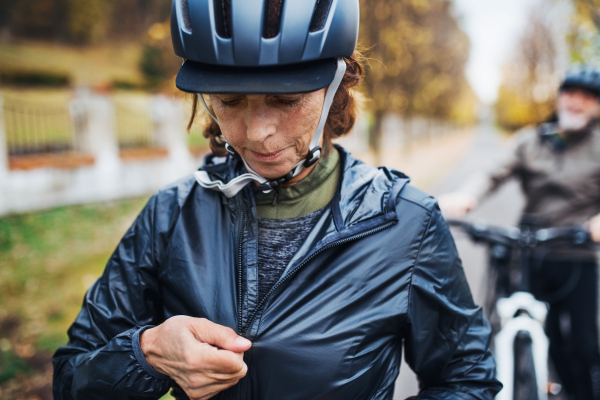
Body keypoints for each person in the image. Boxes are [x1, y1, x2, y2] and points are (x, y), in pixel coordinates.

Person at [52, 1, 501, 399]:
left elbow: (466, 379)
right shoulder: (170, 216)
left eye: (285, 100)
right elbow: (71, 376)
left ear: (335, 89)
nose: (256, 132)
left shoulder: (408, 223)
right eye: (229, 101)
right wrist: (146, 353)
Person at [440, 66, 600, 400]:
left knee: (585, 345)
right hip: (531, 249)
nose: (576, 102)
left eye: (587, 97)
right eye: (571, 93)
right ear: (559, 97)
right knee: (534, 327)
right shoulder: (532, 140)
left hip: (578, 252)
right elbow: (494, 173)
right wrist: (467, 196)